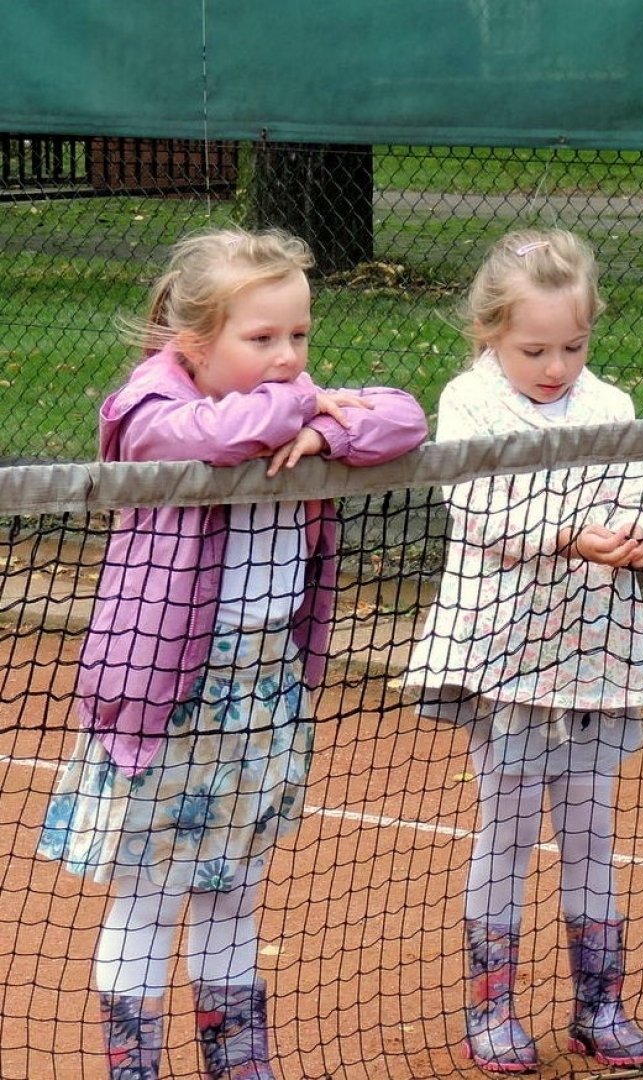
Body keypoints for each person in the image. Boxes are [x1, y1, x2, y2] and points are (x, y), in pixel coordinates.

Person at [36, 227, 429, 1080]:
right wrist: (309, 407)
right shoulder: (145, 413)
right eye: (262, 338)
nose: (289, 356)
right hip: (166, 696)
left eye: (299, 336)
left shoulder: (289, 398)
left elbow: (403, 415)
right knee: (149, 897)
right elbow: (208, 439)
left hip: (265, 692)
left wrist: (326, 435)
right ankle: (133, 1068)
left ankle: (239, 1064)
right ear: (194, 344)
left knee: (233, 889)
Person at [402, 229, 643, 1073]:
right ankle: (493, 1010)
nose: (556, 366)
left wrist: (633, 541)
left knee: (590, 827)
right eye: (534, 348)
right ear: (489, 334)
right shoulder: (468, 402)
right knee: (508, 828)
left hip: (598, 652)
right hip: (502, 656)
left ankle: (599, 1004)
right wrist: (569, 535)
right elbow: (477, 510)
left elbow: (642, 506)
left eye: (574, 346)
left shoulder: (611, 406)